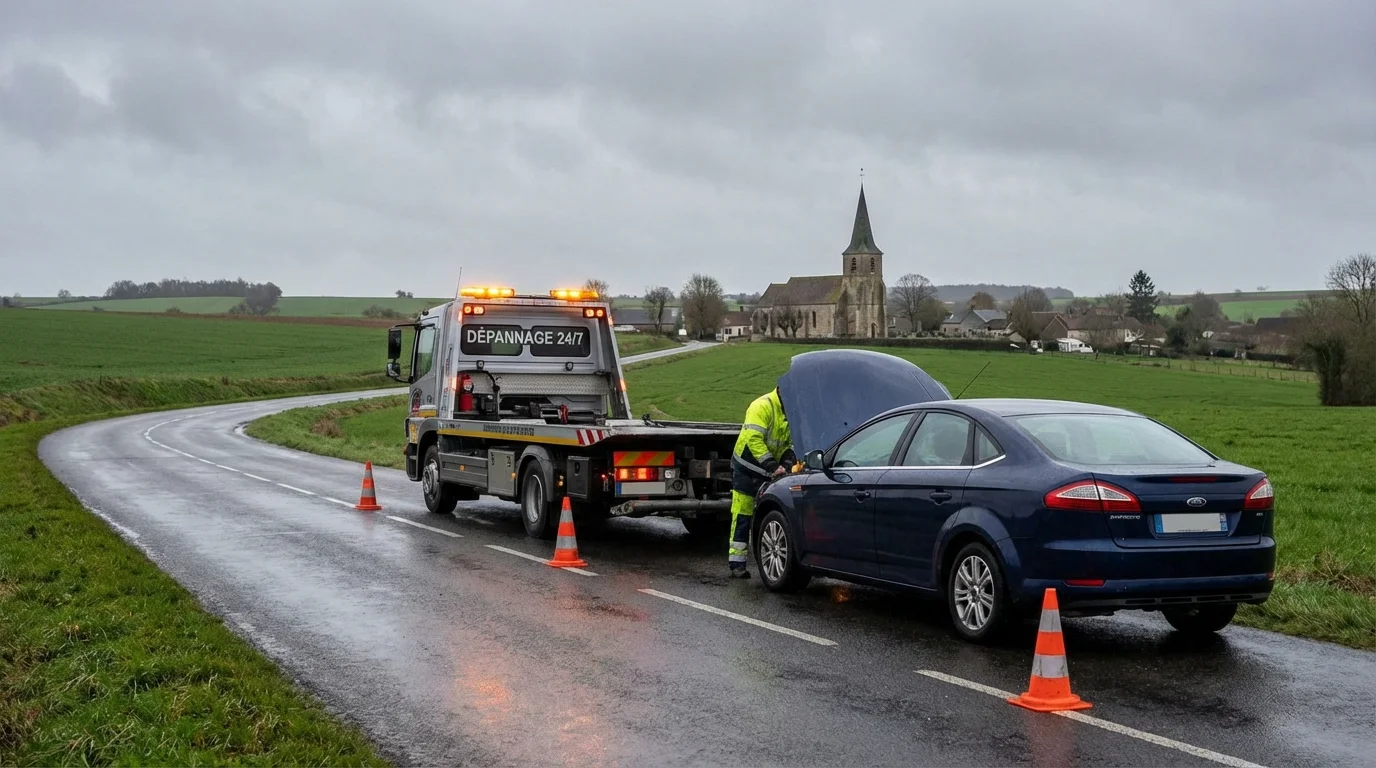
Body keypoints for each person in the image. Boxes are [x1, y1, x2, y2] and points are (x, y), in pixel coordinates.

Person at [727, 385, 795, 578]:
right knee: (742, 515)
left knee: (767, 516)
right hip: (747, 469)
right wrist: (774, 466)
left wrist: (787, 462)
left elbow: (789, 443)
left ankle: (764, 559)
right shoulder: (761, 406)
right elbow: (753, 440)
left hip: (768, 471)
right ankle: (736, 564)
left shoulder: (788, 411)